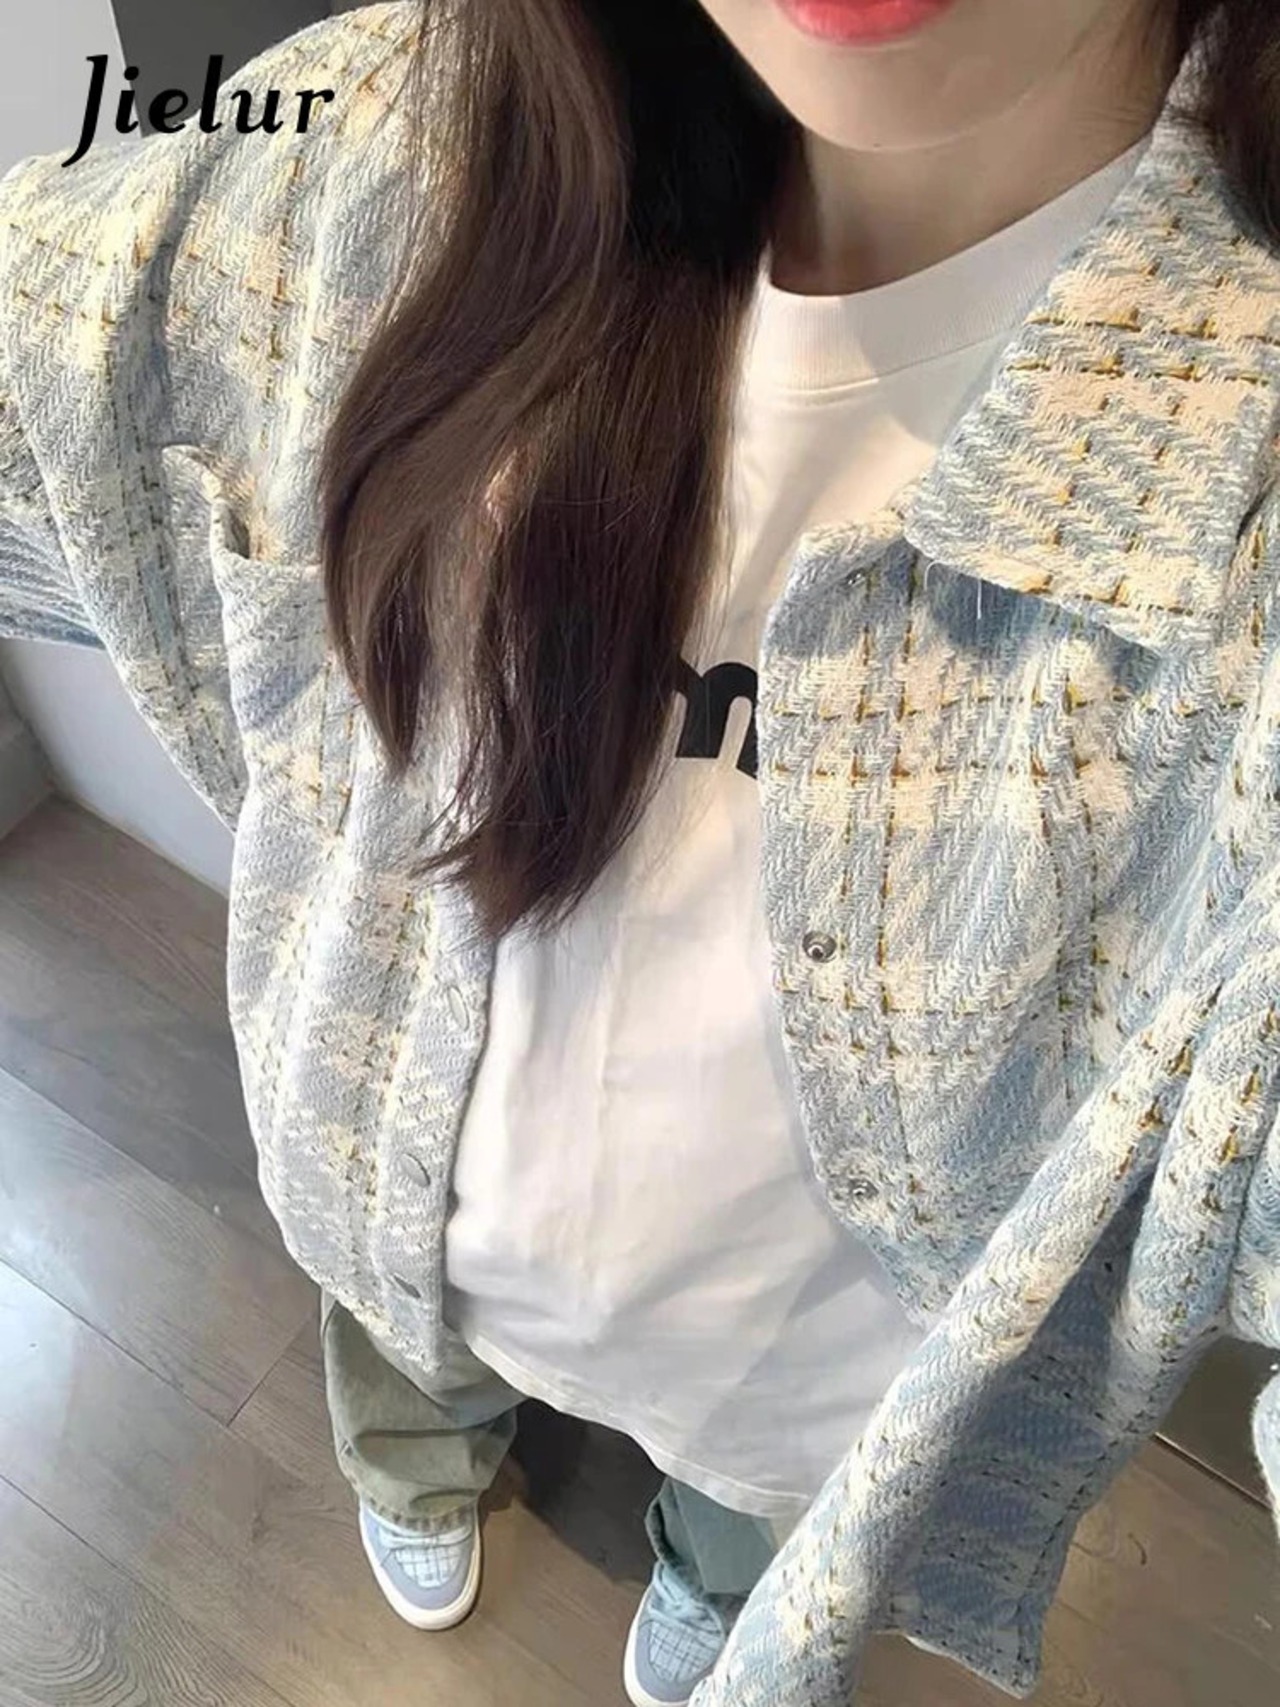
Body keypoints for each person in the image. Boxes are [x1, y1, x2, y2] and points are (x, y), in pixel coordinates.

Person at [2, 1, 1279, 1703]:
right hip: (386, 1197)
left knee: (752, 1519)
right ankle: (419, 1468)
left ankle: (708, 1581)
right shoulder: (397, 130)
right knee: (395, 1347)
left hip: (798, 1398)